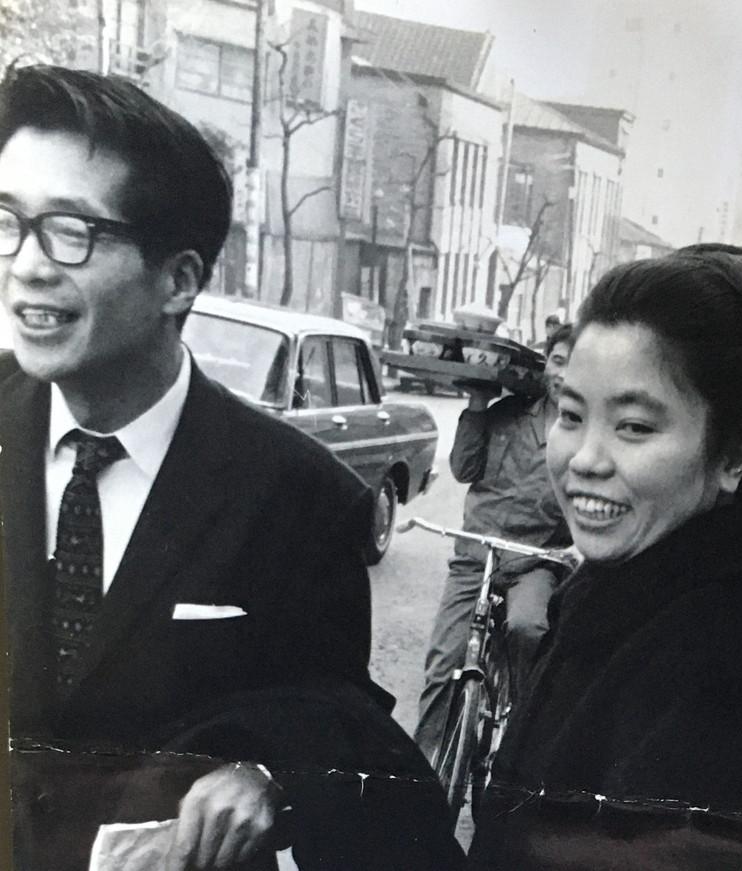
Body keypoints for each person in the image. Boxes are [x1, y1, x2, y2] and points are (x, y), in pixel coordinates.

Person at [0, 65, 460, 871]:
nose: (28, 265)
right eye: (9, 221)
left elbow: (336, 715)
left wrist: (265, 774)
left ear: (179, 280)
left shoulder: (300, 494)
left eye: (71, 232)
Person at [469, 245, 742, 870]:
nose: (585, 459)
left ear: (732, 455)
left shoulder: (718, 661)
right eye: (571, 414)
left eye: (633, 426)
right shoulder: (619, 589)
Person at [415, 325, 573, 760]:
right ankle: (420, 770)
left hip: (534, 562)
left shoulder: (584, 435)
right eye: (558, 361)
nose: (563, 373)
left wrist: (575, 548)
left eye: (575, 364)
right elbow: (464, 470)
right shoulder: (504, 414)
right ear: (545, 364)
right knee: (443, 663)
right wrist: (477, 405)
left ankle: (520, 741)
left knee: (528, 629)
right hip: (476, 556)